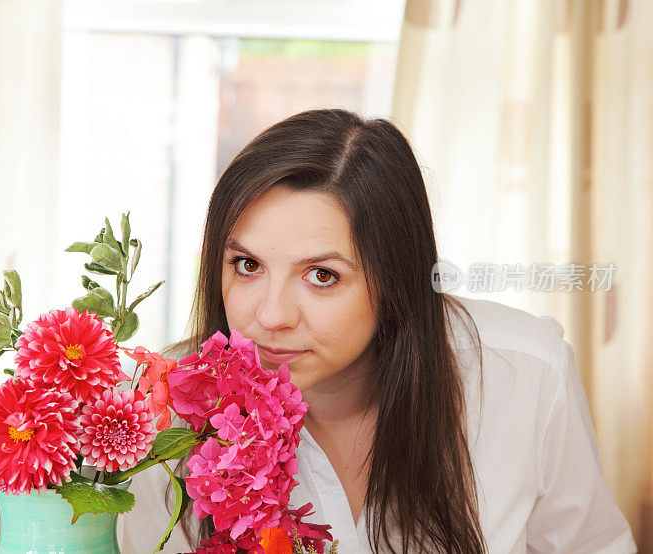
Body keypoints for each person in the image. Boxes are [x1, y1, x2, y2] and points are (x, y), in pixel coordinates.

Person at [120, 109, 637, 553]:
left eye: (322, 275)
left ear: (395, 279)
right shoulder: (158, 415)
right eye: (248, 265)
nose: (272, 315)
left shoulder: (522, 374)